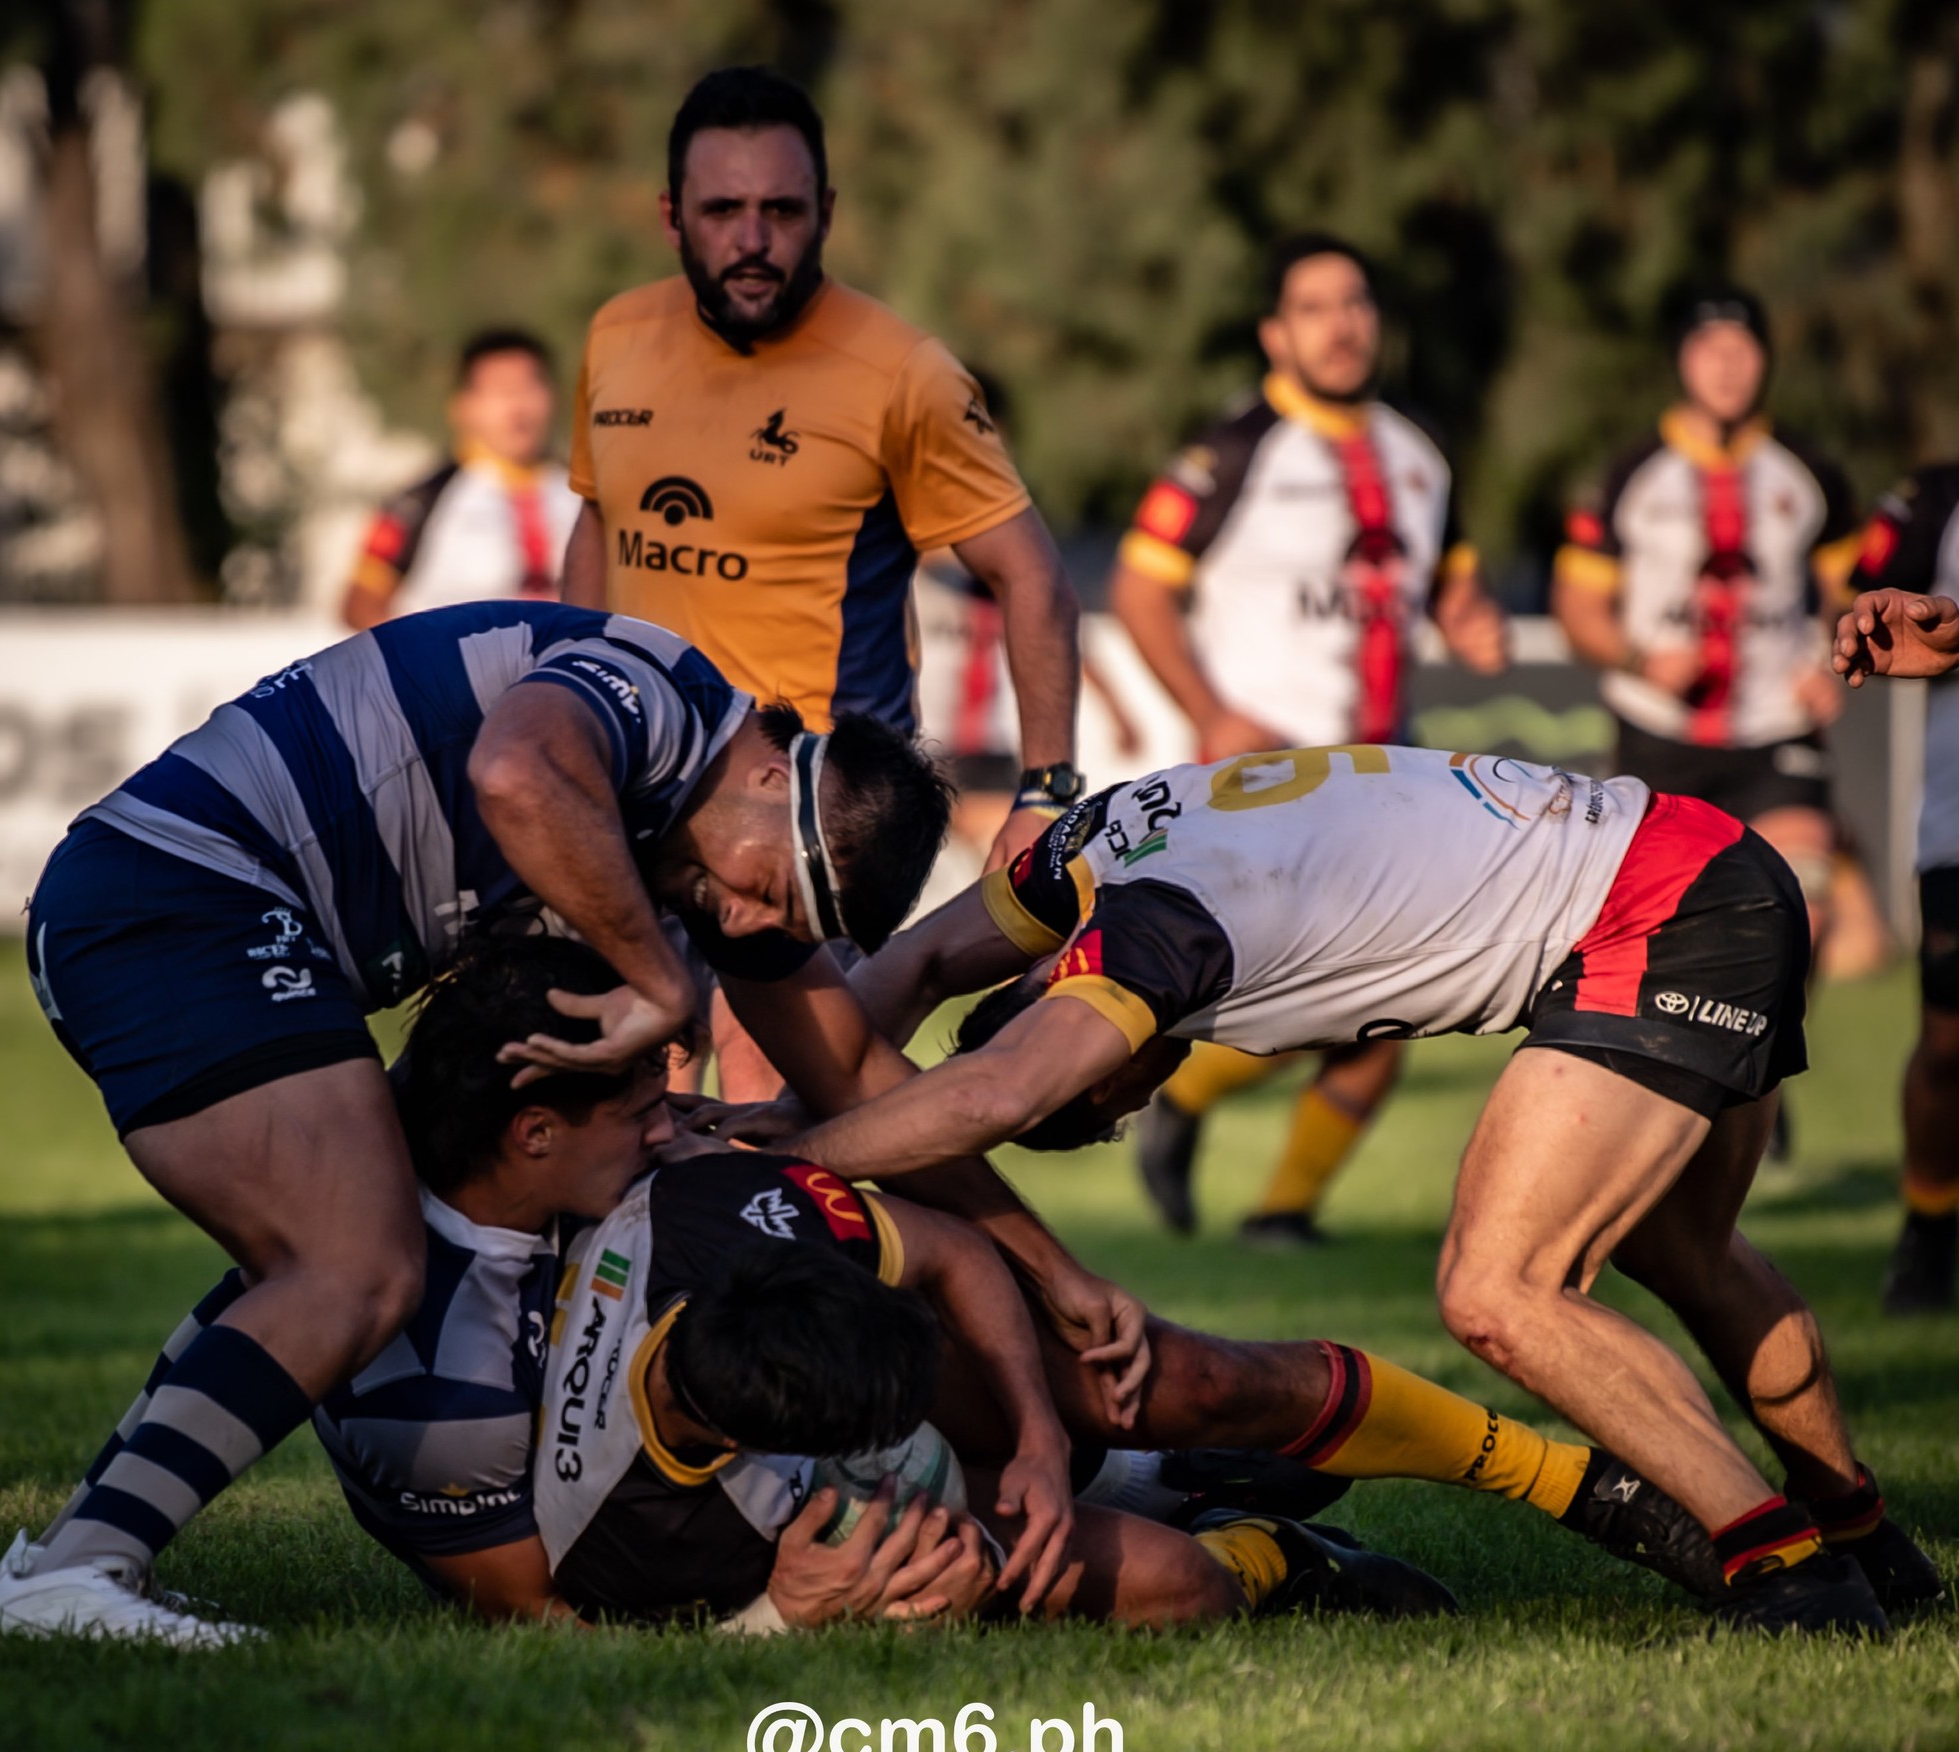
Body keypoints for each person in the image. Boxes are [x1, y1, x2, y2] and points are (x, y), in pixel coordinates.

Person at [775, 745, 1945, 1634]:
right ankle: (1864, 1533)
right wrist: (793, 1099)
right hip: (1695, 855)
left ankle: (1783, 1570)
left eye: (1094, 1097)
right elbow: (916, 960)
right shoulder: (1091, 844)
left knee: (1499, 1290)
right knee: (1683, 1254)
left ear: (1054, 1003)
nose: (1129, 1098)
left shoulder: (1142, 942)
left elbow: (986, 1095)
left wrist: (785, 1160)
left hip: (1662, 913)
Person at [0, 601, 953, 1645]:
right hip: (180, 890)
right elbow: (515, 771)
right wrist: (655, 980)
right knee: (354, 1262)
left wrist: (1052, 1271)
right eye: (766, 892)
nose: (746, 927)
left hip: (195, 898)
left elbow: (853, 1069)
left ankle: (78, 1557)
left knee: (332, 1253)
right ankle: (76, 1568)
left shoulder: (705, 845)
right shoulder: (665, 710)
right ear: (770, 777)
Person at [315, 936, 1682, 1627]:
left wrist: (1035, 1430)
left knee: (1149, 1383)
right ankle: (1272, 1550)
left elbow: (951, 1248)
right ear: (533, 1133)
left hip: (842, 1398)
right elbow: (535, 1614)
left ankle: (1172, 1463)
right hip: (800, 1489)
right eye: (639, 1110)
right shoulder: (496, 1442)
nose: (675, 1119)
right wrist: (795, 1616)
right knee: (1178, 1594)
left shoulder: (699, 1202)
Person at [560, 67, 1084, 883]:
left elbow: (1031, 576)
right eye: (722, 210)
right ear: (671, 217)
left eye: (783, 210)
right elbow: (598, 527)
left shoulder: (905, 373)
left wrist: (1045, 796)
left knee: (752, 1019)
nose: (753, 239)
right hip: (645, 780)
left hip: (818, 802)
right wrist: (574, 704)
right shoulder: (616, 335)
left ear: (827, 213)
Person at [1110, 233, 1507, 1244]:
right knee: (1362, 975)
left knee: (1417, 987)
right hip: (1270, 771)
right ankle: (1197, 1116)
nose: (1342, 324)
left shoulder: (1417, 455)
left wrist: (1466, 618)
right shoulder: (1232, 448)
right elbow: (1137, 587)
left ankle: (1267, 1197)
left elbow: (1445, 580)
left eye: (1356, 302)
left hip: (1388, 766)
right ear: (1273, 333)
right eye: (1315, 306)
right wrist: (1206, 707)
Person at [1552, 285, 1858, 955]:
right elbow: (1576, 607)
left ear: (1766, 359)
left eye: (1741, 348)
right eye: (1708, 349)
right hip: (1658, 733)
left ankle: (1763, 1062)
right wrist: (1640, 661)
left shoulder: (1811, 472)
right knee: (1656, 940)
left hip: (1776, 728)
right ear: (1681, 362)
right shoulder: (1630, 471)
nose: (1726, 366)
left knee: (1802, 914)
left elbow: (1853, 590)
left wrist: (1833, 654)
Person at [1847, 471, 1959, 1312]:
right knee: (1948, 1043)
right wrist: (1876, 620)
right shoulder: (1936, 498)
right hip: (1957, 827)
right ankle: (1927, 1226)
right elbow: (1853, 601)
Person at [341, 329, 580, 630]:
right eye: (500, 391)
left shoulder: (586, 495)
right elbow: (359, 606)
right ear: (463, 406)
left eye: (528, 387)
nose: (517, 408)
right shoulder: (421, 500)